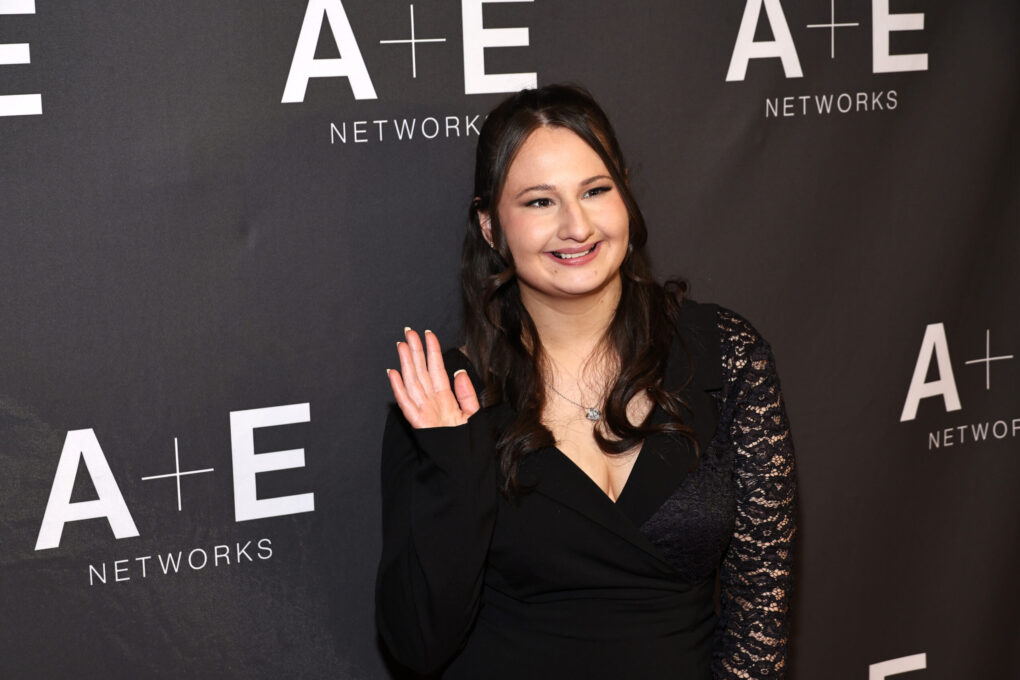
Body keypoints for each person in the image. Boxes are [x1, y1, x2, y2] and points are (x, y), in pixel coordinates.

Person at [376, 84, 796, 679]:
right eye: (540, 203)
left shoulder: (725, 355)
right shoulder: (445, 398)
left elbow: (760, 611)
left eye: (595, 191)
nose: (577, 226)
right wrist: (454, 464)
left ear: (624, 194)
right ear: (491, 227)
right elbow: (417, 645)